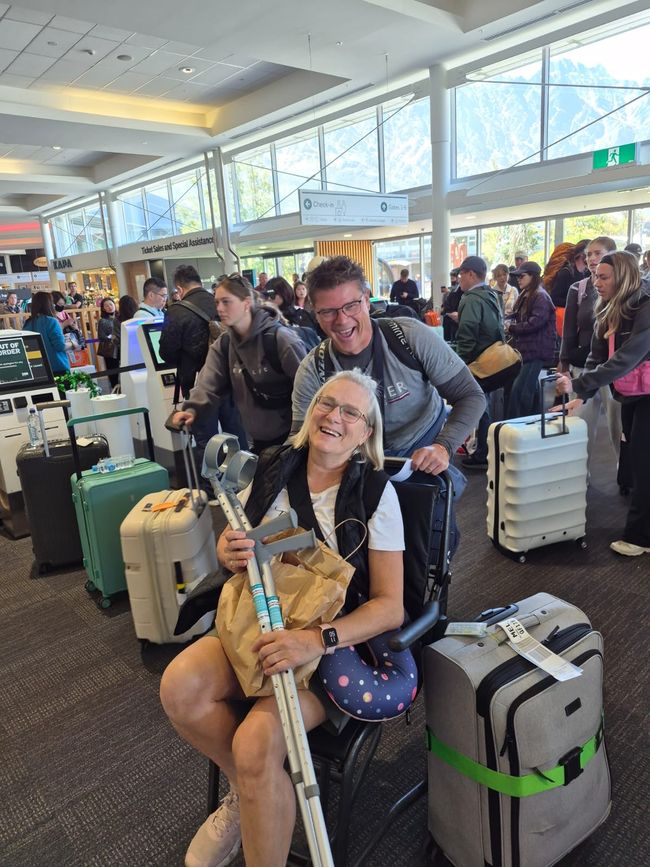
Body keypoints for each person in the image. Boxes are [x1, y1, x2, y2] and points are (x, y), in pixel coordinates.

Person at [160, 370, 409, 867]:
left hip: (328, 650)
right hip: (257, 619)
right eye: (327, 403)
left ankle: (255, 783)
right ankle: (248, 793)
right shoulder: (271, 466)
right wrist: (230, 552)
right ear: (311, 409)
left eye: (351, 413)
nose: (334, 417)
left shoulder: (376, 495)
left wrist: (317, 639)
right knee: (179, 687)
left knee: (255, 746)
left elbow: (390, 605)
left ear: (366, 434)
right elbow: (240, 549)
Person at [291, 256, 485, 479]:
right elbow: (300, 438)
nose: (342, 320)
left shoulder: (409, 337)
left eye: (351, 306)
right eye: (328, 311)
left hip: (421, 456)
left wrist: (444, 446)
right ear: (315, 312)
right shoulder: (313, 369)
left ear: (366, 299)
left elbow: (471, 395)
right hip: (354, 468)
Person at [555, 251, 650, 557]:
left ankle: (640, 537)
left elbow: (626, 358)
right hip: (633, 394)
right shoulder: (608, 307)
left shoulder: (645, 307)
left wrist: (581, 384)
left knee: (643, 464)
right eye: (595, 275)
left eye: (604, 276)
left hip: (644, 394)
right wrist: (580, 396)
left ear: (622, 277)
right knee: (638, 463)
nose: (596, 282)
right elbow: (598, 356)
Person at [172, 274, 306, 453]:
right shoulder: (225, 344)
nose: (219, 308)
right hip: (257, 443)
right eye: (217, 302)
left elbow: (310, 391)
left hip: (296, 442)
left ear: (246, 303)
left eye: (226, 302)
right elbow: (207, 385)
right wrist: (191, 410)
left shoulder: (281, 340)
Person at [559, 236, 621, 468]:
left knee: (618, 427)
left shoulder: (625, 292)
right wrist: (564, 363)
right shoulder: (579, 288)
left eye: (598, 253)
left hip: (615, 371)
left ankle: (624, 475)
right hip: (583, 366)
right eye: (588, 255)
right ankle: (578, 476)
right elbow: (569, 330)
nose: (592, 259)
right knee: (580, 425)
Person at [455, 256, 507, 470]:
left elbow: (467, 333)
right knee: (489, 405)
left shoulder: (471, 299)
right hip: (495, 359)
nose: (459, 280)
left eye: (460, 275)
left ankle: (483, 453)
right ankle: (491, 449)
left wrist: (461, 363)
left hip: (478, 361)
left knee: (480, 406)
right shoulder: (493, 295)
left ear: (470, 274)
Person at [505, 261, 556, 418]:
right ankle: (532, 423)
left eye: (522, 276)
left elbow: (534, 323)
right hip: (528, 350)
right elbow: (518, 316)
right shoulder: (527, 294)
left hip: (535, 351)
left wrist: (511, 327)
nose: (519, 279)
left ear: (533, 276)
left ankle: (519, 425)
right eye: (518, 276)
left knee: (520, 392)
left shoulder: (540, 296)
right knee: (529, 390)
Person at [159, 265, 216, 400]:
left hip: (195, 381)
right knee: (231, 420)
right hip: (224, 376)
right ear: (200, 282)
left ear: (179, 289)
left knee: (199, 419)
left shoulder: (175, 311)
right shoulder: (218, 302)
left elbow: (166, 352)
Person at [23, 291, 69, 375]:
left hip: (37, 368)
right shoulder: (52, 321)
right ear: (49, 304)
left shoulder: (28, 323)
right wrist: (73, 344)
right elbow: (60, 346)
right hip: (57, 366)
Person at [545, 241, 590, 309]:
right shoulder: (566, 273)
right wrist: (576, 303)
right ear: (582, 254)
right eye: (590, 254)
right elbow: (554, 299)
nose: (593, 258)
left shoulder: (588, 273)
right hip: (565, 315)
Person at [97, 297, 119, 388]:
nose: (109, 307)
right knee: (113, 372)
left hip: (121, 347)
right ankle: (114, 388)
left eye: (111, 304)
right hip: (110, 349)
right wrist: (111, 337)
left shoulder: (120, 317)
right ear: (103, 308)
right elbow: (101, 337)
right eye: (106, 306)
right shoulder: (102, 321)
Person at [112, 294, 138, 369]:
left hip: (125, 351)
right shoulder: (138, 316)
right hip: (139, 348)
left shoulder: (118, 320)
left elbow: (116, 338)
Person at [441, 268, 462, 342]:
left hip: (456, 325)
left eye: (453, 278)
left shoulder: (460, 292)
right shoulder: (452, 292)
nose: (452, 280)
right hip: (450, 323)